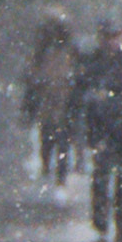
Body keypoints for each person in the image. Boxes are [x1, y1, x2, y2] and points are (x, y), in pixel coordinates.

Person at [70, 21, 122, 242]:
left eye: (115, 36)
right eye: (107, 37)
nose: (111, 42)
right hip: (101, 127)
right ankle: (101, 218)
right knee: (101, 175)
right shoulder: (93, 61)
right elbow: (80, 91)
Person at [23, 15, 78, 185]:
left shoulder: (67, 53)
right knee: (50, 141)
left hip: (60, 105)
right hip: (50, 105)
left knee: (58, 142)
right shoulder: (43, 54)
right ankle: (51, 173)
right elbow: (32, 79)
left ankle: (58, 176)